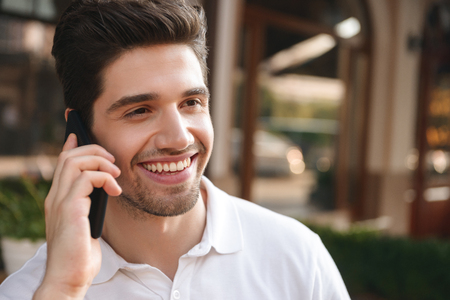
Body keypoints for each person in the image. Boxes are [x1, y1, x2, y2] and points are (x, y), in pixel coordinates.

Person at [0, 0, 351, 299]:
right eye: (139, 111)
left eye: (192, 102)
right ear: (80, 133)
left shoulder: (295, 256)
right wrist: (65, 287)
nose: (179, 138)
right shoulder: (33, 291)